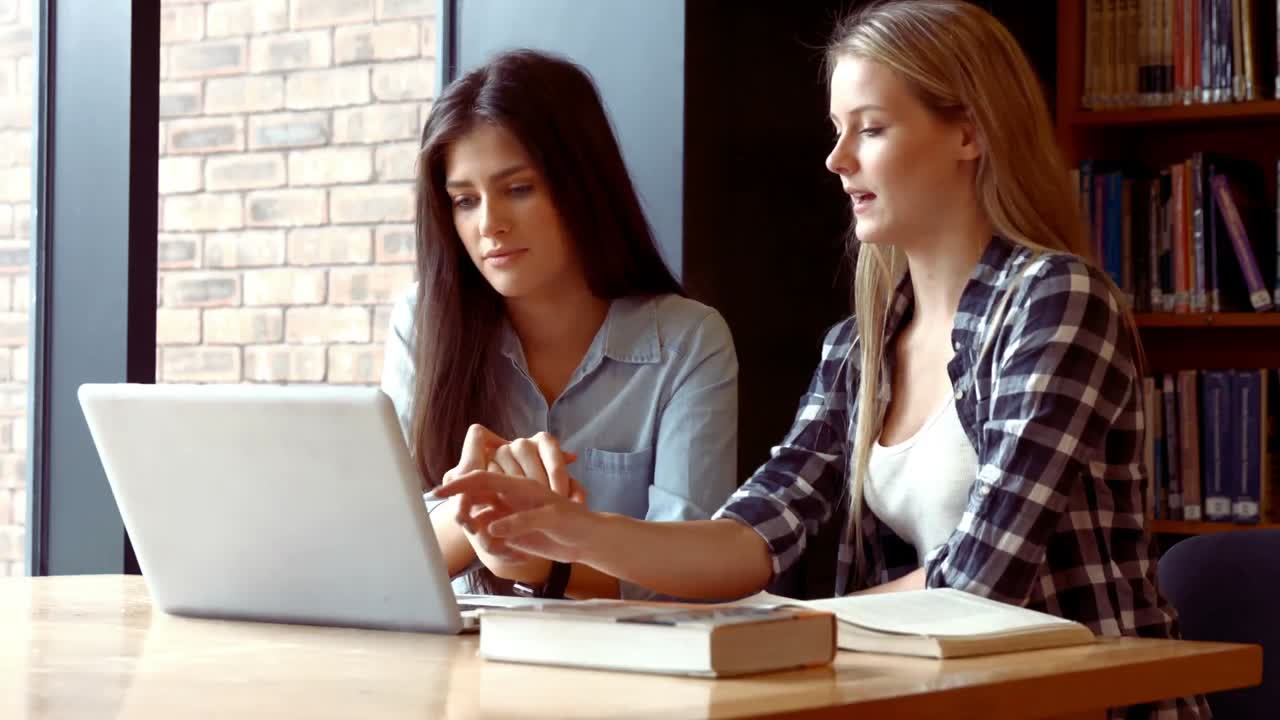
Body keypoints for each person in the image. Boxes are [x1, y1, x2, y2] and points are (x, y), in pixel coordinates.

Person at [433, 3, 1207, 717]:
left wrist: (782, 625)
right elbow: (749, 537)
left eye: (870, 130)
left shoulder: (1056, 301)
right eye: (837, 131)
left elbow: (979, 583)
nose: (837, 160)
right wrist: (568, 530)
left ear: (968, 133)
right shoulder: (860, 348)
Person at [381, 49, 739, 600]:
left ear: (582, 184)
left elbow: (693, 570)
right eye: (465, 200)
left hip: (627, 650)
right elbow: (390, 554)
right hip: (466, 647)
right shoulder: (422, 322)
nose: (490, 224)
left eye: (518, 189)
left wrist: (541, 560)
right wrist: (487, 506)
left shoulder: (688, 341)